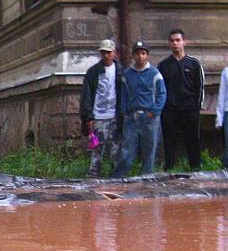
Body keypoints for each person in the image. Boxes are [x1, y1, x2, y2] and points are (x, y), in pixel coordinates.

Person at [112, 41, 167, 178]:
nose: (140, 57)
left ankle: (146, 178)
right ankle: (117, 178)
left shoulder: (155, 74)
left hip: (150, 118)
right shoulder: (127, 74)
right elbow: (123, 95)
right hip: (132, 117)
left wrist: (154, 112)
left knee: (149, 151)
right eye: (137, 53)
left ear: (147, 56)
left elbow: (162, 94)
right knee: (127, 151)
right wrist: (125, 112)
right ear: (133, 56)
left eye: (143, 53)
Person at [157, 29, 205, 171]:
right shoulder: (163, 65)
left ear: (184, 42)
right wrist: (163, 107)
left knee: (192, 140)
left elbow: (200, 86)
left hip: (189, 109)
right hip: (169, 110)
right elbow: (159, 88)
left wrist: (197, 108)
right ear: (169, 43)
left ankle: (195, 167)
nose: (175, 43)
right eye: (172, 41)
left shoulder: (194, 64)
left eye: (178, 40)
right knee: (169, 141)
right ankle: (169, 167)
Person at [80, 39, 123, 178]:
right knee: (97, 148)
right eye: (103, 52)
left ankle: (116, 176)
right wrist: (88, 117)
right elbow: (86, 95)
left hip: (116, 116)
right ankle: (93, 175)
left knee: (116, 149)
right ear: (100, 53)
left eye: (108, 52)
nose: (106, 55)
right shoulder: (93, 72)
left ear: (114, 53)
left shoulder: (121, 71)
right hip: (99, 117)